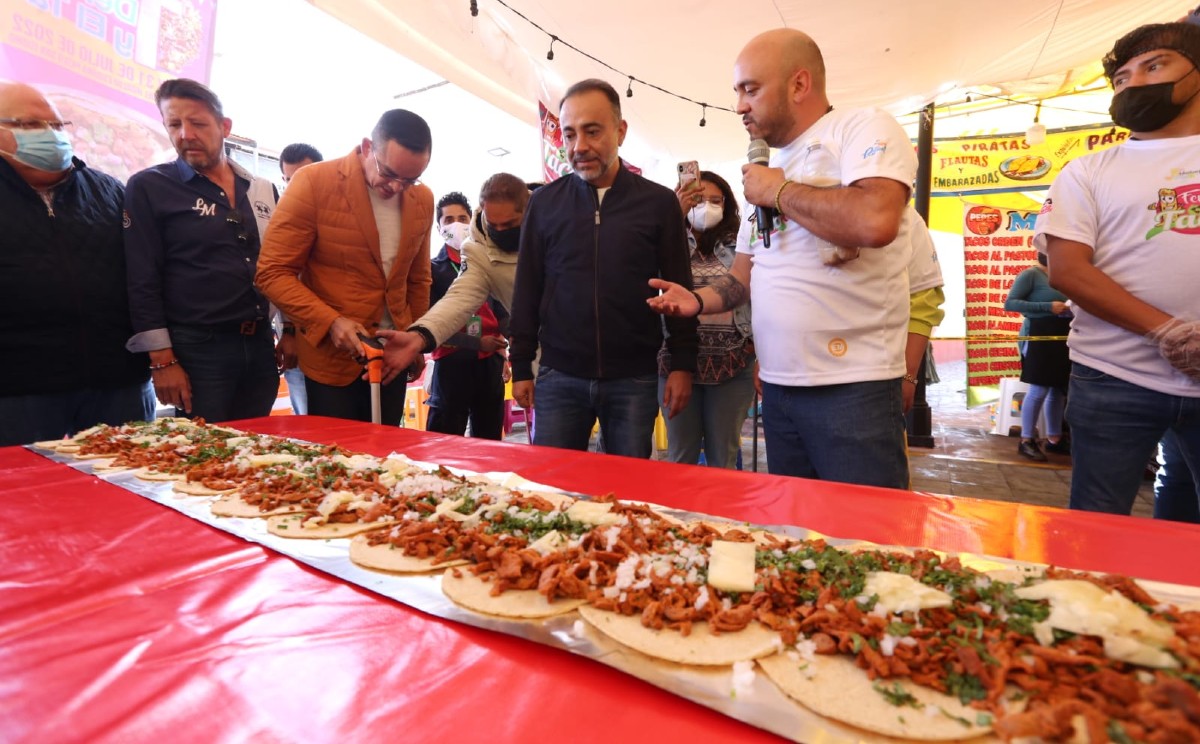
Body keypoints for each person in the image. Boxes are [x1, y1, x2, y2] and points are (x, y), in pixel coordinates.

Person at [649, 29, 917, 488]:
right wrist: (695, 301)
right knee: (800, 535)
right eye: (737, 92)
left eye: (750, 89)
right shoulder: (767, 172)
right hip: (777, 389)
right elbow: (741, 280)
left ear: (799, 84)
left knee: (868, 540)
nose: (739, 106)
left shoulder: (861, 128)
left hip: (853, 387)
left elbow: (875, 220)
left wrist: (778, 191)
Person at [1034, 21, 1200, 516]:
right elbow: (1067, 270)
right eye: (1122, 78)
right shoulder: (1088, 169)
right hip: (1113, 374)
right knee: (1097, 516)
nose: (1135, 84)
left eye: (1155, 66)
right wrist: (1168, 331)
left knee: (1184, 513)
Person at [508, 79, 698, 458]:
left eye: (592, 131)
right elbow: (527, 288)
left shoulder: (658, 204)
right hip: (559, 375)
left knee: (626, 497)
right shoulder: (544, 204)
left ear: (620, 131)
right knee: (555, 494)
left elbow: (679, 288)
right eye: (569, 134)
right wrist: (522, 366)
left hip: (634, 377)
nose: (579, 147)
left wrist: (682, 365)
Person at [255, 109, 433, 425]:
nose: (396, 187)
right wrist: (331, 321)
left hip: (393, 357)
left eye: (410, 180)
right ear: (367, 147)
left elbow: (417, 279)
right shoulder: (313, 182)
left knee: (387, 462)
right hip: (331, 360)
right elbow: (272, 272)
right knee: (339, 460)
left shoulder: (422, 198)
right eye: (389, 173)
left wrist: (415, 337)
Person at [0, 83, 154, 446]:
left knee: (131, 489)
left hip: (117, 382)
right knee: (24, 496)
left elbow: (146, 274)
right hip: (17, 389)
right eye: (30, 125)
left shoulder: (109, 190)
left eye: (57, 126)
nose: (50, 136)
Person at [125, 78, 281, 423]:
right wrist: (162, 360)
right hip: (197, 349)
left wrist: (293, 332)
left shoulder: (261, 189)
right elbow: (141, 277)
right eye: (174, 124)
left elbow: (282, 266)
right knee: (201, 458)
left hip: (260, 345)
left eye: (197, 123)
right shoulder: (149, 187)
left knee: (259, 451)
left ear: (224, 127)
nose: (186, 134)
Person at [376, 173, 528, 386]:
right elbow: (458, 300)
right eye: (495, 225)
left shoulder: (557, 227)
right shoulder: (475, 251)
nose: (501, 231)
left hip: (506, 356)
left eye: (510, 224)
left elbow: (502, 311)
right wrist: (419, 336)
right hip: (453, 363)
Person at [665, 170, 754, 468]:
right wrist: (673, 215)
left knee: (723, 458)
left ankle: (719, 516)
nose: (708, 207)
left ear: (727, 205)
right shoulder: (667, 238)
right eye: (699, 200)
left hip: (732, 364)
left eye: (717, 201)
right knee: (680, 456)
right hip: (675, 364)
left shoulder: (740, 243)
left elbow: (755, 296)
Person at [423, 190, 509, 439]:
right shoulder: (431, 270)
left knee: (489, 439)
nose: (456, 224)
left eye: (462, 217)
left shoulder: (488, 261)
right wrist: (475, 342)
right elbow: (430, 320)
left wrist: (514, 341)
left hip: (489, 361)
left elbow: (501, 309)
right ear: (438, 228)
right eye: (448, 220)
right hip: (452, 362)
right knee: (444, 441)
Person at [1002, 253, 1071, 461]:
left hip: (1062, 335)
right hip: (1038, 334)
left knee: (1057, 389)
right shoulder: (1030, 275)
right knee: (1039, 388)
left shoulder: (1064, 276)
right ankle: (1026, 440)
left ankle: (1055, 439)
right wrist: (1047, 307)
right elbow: (1010, 304)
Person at [274, 142, 324, 415]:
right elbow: (280, 280)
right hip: (300, 344)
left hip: (340, 342)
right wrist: (289, 332)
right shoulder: (282, 221)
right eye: (288, 180)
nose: (294, 187)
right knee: (308, 426)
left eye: (302, 178)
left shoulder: (340, 217)